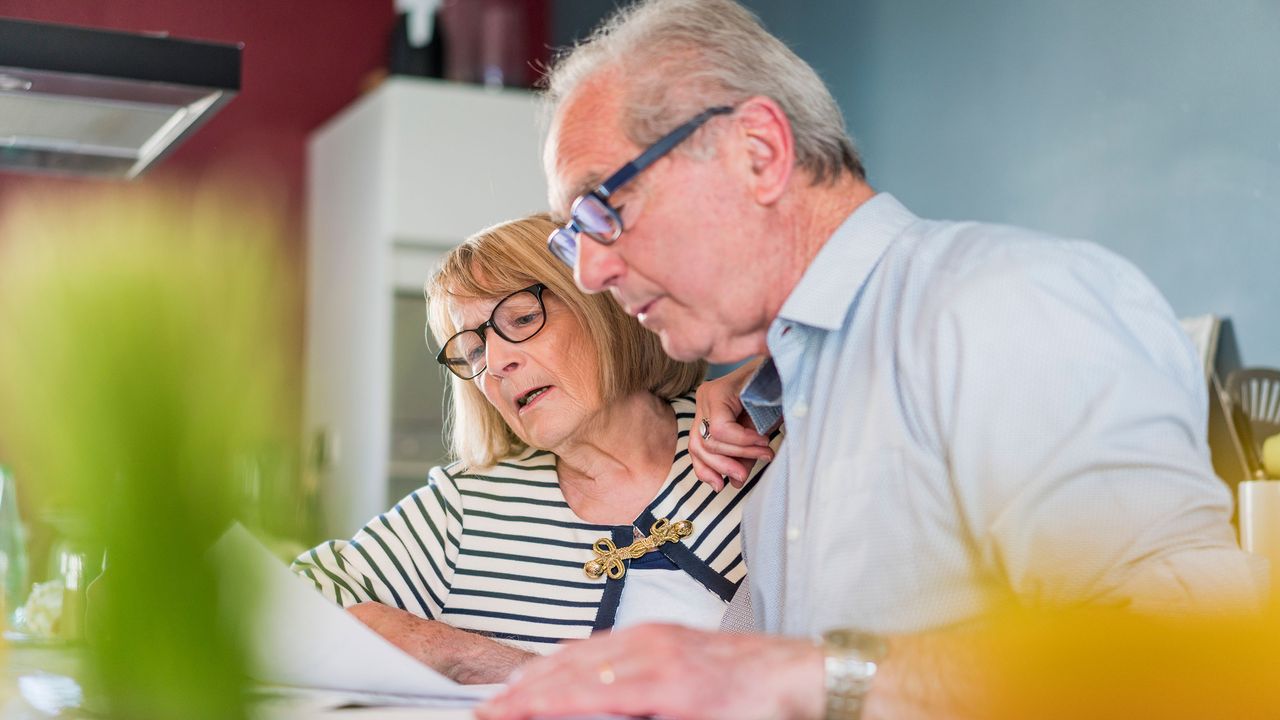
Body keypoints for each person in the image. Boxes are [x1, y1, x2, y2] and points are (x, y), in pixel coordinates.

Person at [477, 1, 1264, 718]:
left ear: (757, 151)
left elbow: (1202, 662)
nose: (589, 273)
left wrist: (801, 678)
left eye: (600, 209)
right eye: (571, 238)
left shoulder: (1003, 302)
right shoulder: (791, 400)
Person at [292, 214, 779, 684]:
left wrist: (773, 381)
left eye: (522, 318)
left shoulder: (749, 433)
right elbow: (281, 608)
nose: (497, 363)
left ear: (604, 307)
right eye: (474, 351)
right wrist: (466, 655)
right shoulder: (466, 508)